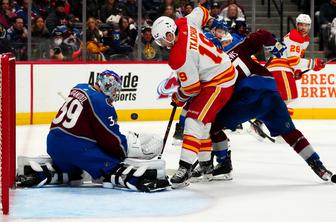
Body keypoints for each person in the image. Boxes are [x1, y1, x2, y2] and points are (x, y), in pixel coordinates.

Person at [190, 29, 334, 183]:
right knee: (290, 133)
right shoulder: (240, 47)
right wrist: (276, 48)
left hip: (247, 98)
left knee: (212, 126)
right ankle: (318, 166)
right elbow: (265, 34)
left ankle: (223, 163)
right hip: (270, 91)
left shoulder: (212, 66)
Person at [16, 70, 170, 192]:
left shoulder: (79, 87)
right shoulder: (101, 102)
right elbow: (110, 140)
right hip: (77, 148)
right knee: (113, 165)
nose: (115, 95)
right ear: (108, 85)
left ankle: (45, 172)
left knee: (73, 169)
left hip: (53, 144)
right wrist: (125, 149)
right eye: (115, 90)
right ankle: (138, 178)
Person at [151, 0, 238, 188]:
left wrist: (178, 97)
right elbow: (203, 11)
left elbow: (192, 89)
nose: (161, 44)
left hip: (219, 80)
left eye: (161, 40)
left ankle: (185, 167)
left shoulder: (178, 56)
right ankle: (206, 167)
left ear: (168, 33)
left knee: (193, 120)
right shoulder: (184, 23)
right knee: (204, 123)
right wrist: (212, 24)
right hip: (216, 73)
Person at [267, 14, 326, 117]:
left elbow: (293, 59)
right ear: (297, 25)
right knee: (289, 97)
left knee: (287, 98)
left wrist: (295, 71)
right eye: (301, 25)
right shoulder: (295, 37)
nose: (303, 28)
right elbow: (294, 61)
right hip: (280, 67)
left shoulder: (305, 40)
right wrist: (313, 64)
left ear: (310, 26)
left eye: (306, 25)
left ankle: (265, 121)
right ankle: (280, 124)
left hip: (282, 67)